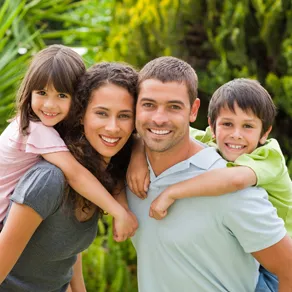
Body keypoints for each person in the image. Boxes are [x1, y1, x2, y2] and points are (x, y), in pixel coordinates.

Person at [126, 56, 292, 292]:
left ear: (193, 110)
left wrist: (172, 192)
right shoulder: (132, 168)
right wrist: (136, 152)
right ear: (212, 126)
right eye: (148, 104)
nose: (159, 117)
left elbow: (289, 271)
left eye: (174, 106)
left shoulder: (238, 184)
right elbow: (153, 133)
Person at [0, 61, 138, 291]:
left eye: (124, 116)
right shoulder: (50, 178)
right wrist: (119, 211)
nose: (113, 127)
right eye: (101, 113)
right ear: (81, 114)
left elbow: (68, 254)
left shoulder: (97, 176)